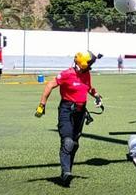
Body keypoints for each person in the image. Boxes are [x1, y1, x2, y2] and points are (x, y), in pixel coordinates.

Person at [36, 51, 103, 186]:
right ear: (82, 63)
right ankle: (66, 172)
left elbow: (88, 87)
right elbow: (50, 85)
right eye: (89, 63)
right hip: (67, 111)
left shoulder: (86, 73)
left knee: (75, 143)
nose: (91, 66)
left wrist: (97, 96)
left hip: (80, 112)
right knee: (68, 142)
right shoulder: (67, 74)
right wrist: (42, 105)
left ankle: (67, 171)